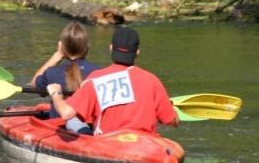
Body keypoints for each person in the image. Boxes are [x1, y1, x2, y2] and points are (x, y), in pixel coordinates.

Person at [46, 26, 179, 135]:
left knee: (73, 121)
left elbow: (66, 113)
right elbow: (172, 122)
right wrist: (171, 109)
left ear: (111, 48)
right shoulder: (152, 80)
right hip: (146, 144)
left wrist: (56, 94)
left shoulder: (96, 78)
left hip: (110, 143)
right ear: (137, 52)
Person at [30, 22, 98, 132]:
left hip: (59, 129)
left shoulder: (51, 73)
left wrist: (57, 56)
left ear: (62, 46)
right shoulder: (98, 72)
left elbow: (33, 85)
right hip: (89, 128)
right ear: (87, 46)